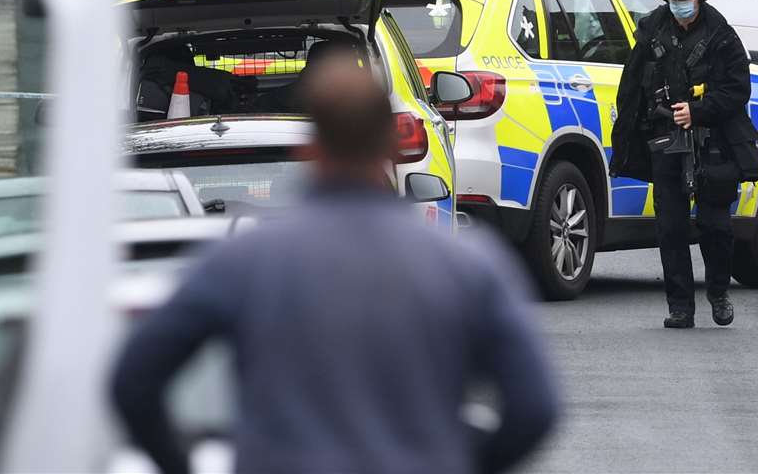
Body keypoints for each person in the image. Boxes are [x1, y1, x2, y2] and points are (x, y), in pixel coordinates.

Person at [110, 58, 560, 474]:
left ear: (313, 148)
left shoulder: (244, 261)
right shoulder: (467, 263)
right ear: (388, 140)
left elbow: (134, 380)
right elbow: (534, 407)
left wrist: (178, 464)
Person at [609, 0, 758, 329]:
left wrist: (698, 111)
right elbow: (631, 86)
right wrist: (628, 138)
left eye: (685, 0)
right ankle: (680, 307)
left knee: (716, 225)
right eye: (674, 1)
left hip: (714, 140)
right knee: (671, 227)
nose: (680, 7)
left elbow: (739, 88)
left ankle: (719, 293)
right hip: (666, 139)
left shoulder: (721, 34)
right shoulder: (652, 31)